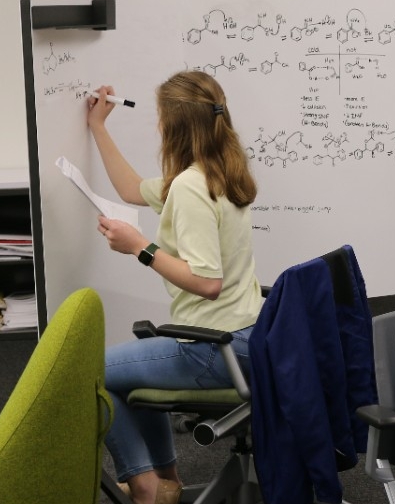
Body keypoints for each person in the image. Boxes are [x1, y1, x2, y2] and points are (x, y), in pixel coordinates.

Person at [88, 71, 264, 504]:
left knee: (90, 370)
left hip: (214, 350)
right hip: (250, 339)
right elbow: (130, 189)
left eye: (160, 118)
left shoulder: (189, 188)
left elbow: (207, 283)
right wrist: (98, 128)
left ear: (174, 125)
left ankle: (146, 484)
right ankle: (166, 480)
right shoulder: (221, 170)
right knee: (126, 373)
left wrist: (139, 248)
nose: (157, 126)